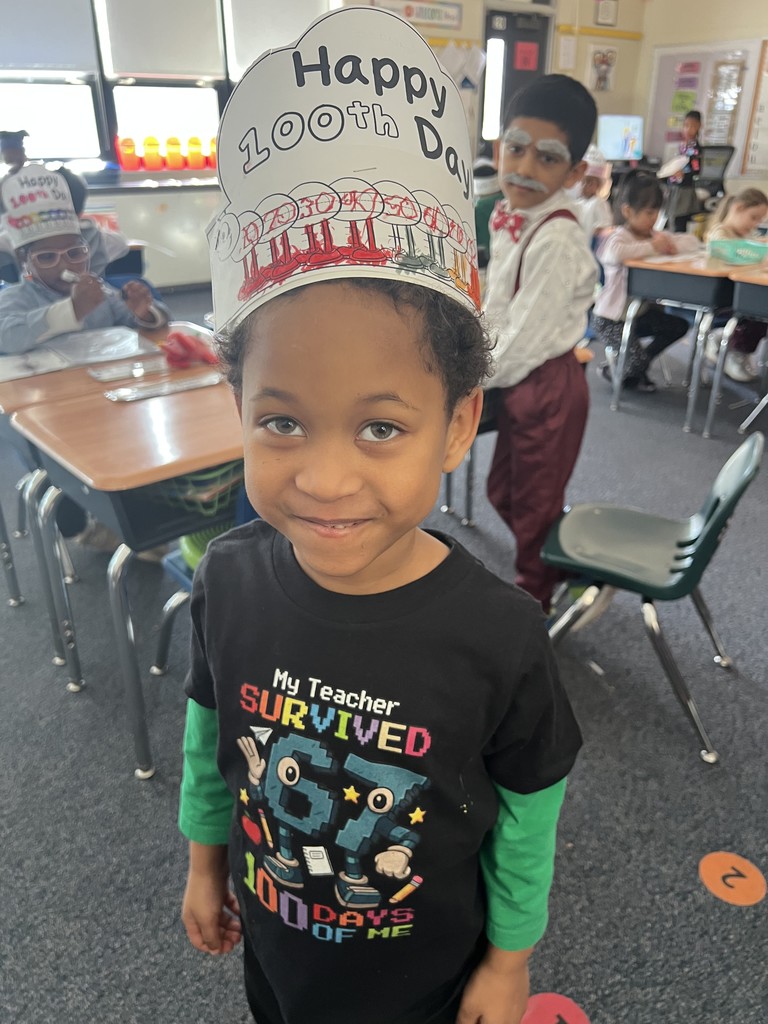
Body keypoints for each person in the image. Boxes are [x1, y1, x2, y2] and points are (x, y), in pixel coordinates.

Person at [178, 10, 582, 1024]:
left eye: (380, 428)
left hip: (427, 977)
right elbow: (207, 734)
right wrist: (204, 858)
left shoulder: (500, 632)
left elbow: (529, 806)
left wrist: (509, 957)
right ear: (238, 408)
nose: (322, 477)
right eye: (281, 419)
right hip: (273, 953)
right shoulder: (225, 577)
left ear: (457, 427)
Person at [482, 74, 597, 614]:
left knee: (532, 504)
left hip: (546, 385)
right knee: (503, 493)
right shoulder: (513, 218)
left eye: (547, 158)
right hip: (516, 380)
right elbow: (497, 306)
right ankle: (568, 565)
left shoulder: (556, 238)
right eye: (516, 149)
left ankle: (534, 607)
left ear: (574, 172)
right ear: (498, 146)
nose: (524, 168)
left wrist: (462, 377)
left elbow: (522, 341)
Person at [0, 164, 168, 355]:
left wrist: (144, 312)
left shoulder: (101, 294)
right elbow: (5, 337)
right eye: (47, 257)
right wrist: (71, 310)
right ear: (25, 260)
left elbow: (159, 321)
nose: (65, 265)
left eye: (75, 253)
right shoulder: (16, 298)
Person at [593, 169, 699, 391]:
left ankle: (632, 367)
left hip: (640, 315)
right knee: (636, 361)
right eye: (649, 213)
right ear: (628, 211)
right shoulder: (620, 236)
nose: (654, 219)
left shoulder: (655, 235)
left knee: (678, 326)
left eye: (657, 213)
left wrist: (671, 245)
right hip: (611, 319)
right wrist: (651, 247)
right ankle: (617, 369)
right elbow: (611, 253)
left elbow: (692, 242)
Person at [704, 187, 768, 381]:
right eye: (753, 217)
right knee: (758, 314)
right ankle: (731, 348)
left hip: (744, 294)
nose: (755, 224)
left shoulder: (747, 237)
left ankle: (735, 347)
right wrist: (760, 250)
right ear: (738, 208)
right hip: (725, 298)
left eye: (760, 220)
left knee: (762, 314)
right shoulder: (719, 234)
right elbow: (734, 252)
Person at [667, 109, 702, 232]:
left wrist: (683, 174)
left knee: (679, 223)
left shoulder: (694, 148)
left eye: (692, 126)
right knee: (671, 221)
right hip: (674, 186)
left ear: (699, 127)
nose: (688, 129)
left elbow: (696, 170)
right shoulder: (682, 145)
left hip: (684, 189)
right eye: (686, 126)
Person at [573, 144, 613, 246]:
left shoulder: (598, 203)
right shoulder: (576, 202)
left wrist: (598, 231)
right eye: (583, 181)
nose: (585, 185)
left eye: (590, 182)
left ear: (599, 185)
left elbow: (604, 226)